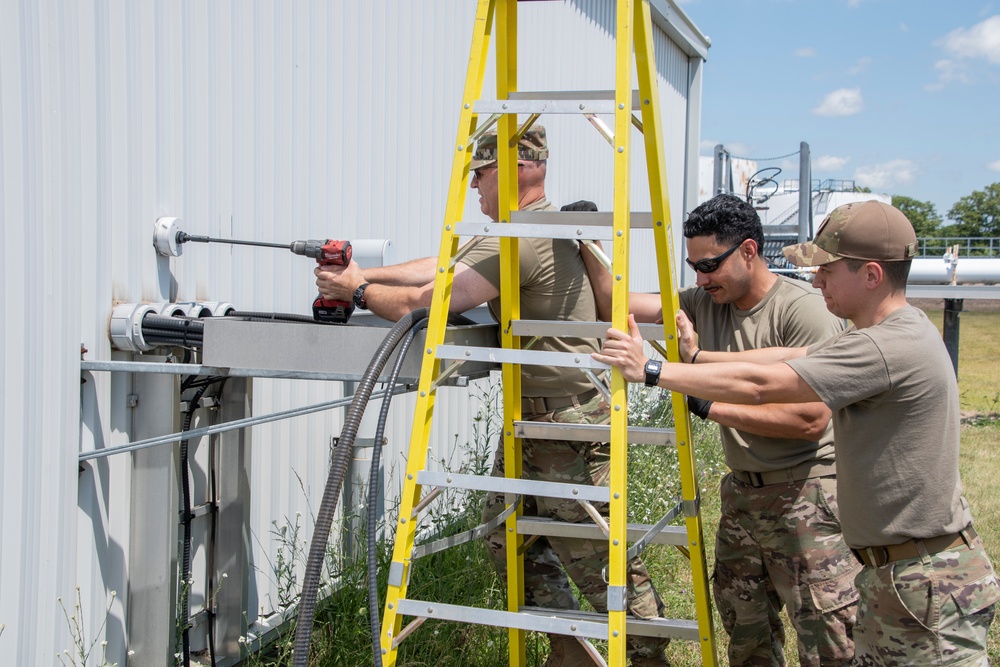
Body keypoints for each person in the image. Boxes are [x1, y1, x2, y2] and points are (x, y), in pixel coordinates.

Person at [315, 126, 670, 666]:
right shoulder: (525, 230)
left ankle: (649, 656)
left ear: (516, 170)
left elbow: (429, 300)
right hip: (530, 423)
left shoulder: (519, 236)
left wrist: (357, 292)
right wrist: (364, 273)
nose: (475, 188)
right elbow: (441, 268)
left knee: (598, 563)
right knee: (507, 544)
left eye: (480, 174)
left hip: (565, 427)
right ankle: (568, 651)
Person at [593, 200, 1000, 666]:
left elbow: (765, 384)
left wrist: (651, 370)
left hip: (923, 578)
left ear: (871, 275)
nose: (815, 279)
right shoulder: (884, 333)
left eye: (827, 269)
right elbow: (787, 356)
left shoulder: (885, 345)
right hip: (898, 571)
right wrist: (698, 358)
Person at [583, 193, 861, 666]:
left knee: (828, 637)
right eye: (694, 267)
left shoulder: (803, 312)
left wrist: (707, 404)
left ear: (749, 251)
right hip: (742, 497)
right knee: (745, 632)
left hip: (808, 497)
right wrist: (583, 238)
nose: (700, 278)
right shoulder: (702, 302)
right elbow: (613, 301)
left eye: (710, 264)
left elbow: (809, 420)